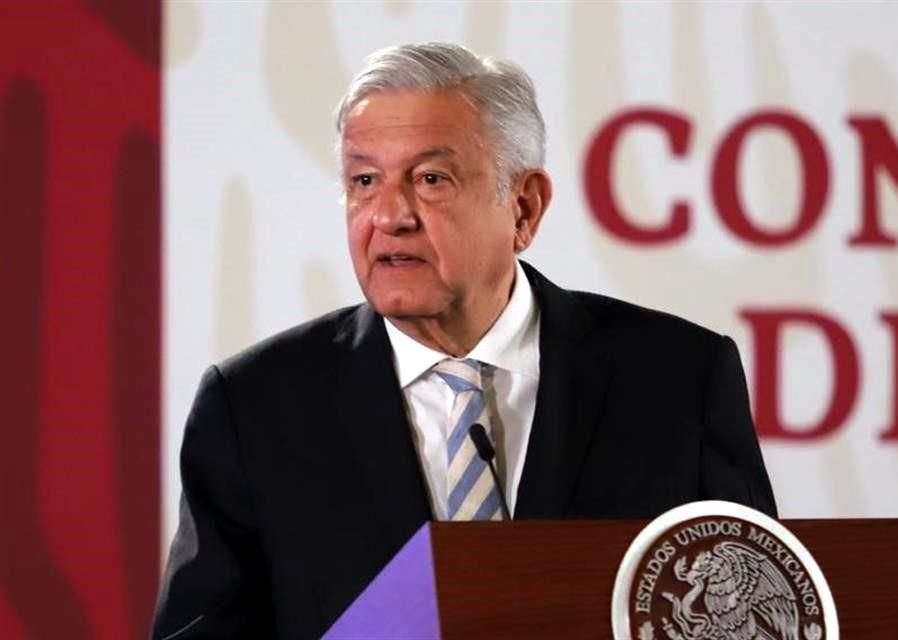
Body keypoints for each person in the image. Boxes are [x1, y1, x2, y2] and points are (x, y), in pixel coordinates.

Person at [152, 42, 776, 639]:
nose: (388, 216)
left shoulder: (678, 380)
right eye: (364, 182)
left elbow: (761, 610)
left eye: (429, 179)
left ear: (525, 208)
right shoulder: (256, 406)